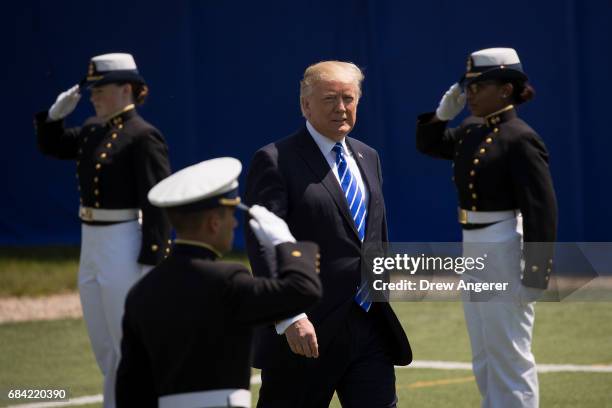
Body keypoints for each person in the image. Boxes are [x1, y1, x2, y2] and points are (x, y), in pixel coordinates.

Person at [245, 61, 411, 408]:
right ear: (305, 105)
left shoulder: (368, 156)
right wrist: (288, 316)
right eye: (330, 98)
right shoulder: (275, 159)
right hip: (306, 331)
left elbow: (374, 237)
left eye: (348, 98)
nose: (341, 107)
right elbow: (263, 244)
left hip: (370, 325)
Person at [115, 157, 322, 408]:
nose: (234, 224)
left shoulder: (141, 292)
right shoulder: (229, 281)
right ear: (214, 223)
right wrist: (286, 244)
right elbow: (303, 290)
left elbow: (129, 385)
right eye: (229, 216)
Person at [415, 47, 558, 407]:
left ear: (506, 90)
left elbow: (541, 209)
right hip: (473, 245)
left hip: (503, 243)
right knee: (482, 351)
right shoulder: (471, 129)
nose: (470, 95)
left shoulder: (520, 138)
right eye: (468, 87)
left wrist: (536, 271)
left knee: (508, 351)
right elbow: (430, 145)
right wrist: (440, 115)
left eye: (478, 86)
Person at [34, 53, 171, 408]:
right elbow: (53, 145)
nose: (93, 96)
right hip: (92, 243)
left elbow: (157, 203)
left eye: (101, 89)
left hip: (123, 242)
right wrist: (53, 117)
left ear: (126, 89)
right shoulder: (94, 130)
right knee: (104, 346)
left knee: (129, 343)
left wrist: (153, 261)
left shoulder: (143, 136)